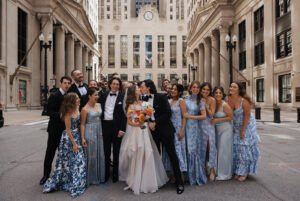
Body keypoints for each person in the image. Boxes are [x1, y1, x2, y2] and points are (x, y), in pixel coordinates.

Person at [119, 85, 169, 195]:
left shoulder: (145, 103)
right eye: (137, 88)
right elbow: (130, 122)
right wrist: (138, 124)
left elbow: (150, 116)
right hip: (136, 132)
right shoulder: (131, 106)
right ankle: (136, 181)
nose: (139, 89)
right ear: (133, 92)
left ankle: (148, 181)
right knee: (138, 154)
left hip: (145, 131)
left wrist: (147, 119)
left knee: (148, 153)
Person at [140, 79, 184, 194]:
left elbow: (168, 113)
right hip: (153, 132)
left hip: (165, 130)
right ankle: (156, 181)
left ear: (148, 87)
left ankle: (179, 182)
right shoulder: (144, 99)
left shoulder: (161, 97)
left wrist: (155, 122)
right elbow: (146, 115)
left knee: (172, 155)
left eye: (143, 86)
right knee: (154, 155)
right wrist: (149, 122)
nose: (141, 88)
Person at [43, 93, 86, 197]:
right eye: (77, 98)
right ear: (72, 100)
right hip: (69, 138)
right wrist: (74, 143)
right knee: (70, 160)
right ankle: (72, 181)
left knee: (76, 160)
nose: (79, 100)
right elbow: (67, 130)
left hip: (77, 136)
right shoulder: (68, 113)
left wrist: (81, 138)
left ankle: (76, 180)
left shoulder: (77, 109)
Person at [40, 76, 71, 185]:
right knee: (50, 152)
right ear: (61, 83)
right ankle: (45, 175)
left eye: (68, 83)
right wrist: (62, 115)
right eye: (65, 83)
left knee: (63, 153)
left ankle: (62, 174)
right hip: (54, 129)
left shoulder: (68, 96)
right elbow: (49, 112)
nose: (67, 85)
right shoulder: (54, 95)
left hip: (65, 130)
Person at [228, 82, 260, 182]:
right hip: (235, 126)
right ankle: (238, 170)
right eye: (231, 86)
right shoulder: (227, 99)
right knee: (237, 150)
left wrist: (243, 131)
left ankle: (244, 172)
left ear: (239, 89)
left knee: (244, 149)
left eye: (234, 87)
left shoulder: (244, 101)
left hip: (246, 126)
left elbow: (247, 116)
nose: (231, 88)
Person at [98, 77, 127, 183]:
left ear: (119, 86)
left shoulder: (122, 97)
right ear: (110, 85)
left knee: (116, 152)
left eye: (117, 84)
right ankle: (106, 174)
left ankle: (115, 173)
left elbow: (124, 115)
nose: (115, 86)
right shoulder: (103, 95)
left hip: (117, 128)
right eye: (113, 84)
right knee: (106, 151)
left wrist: (122, 129)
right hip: (105, 126)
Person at [183, 81, 207, 185]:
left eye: (197, 87)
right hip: (185, 127)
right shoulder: (185, 99)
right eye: (194, 87)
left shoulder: (201, 101)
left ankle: (194, 175)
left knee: (192, 150)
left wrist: (190, 117)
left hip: (194, 128)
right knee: (186, 149)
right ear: (190, 88)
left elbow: (204, 116)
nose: (195, 89)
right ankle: (186, 174)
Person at [162, 84, 187, 181]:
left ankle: (180, 174)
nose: (172, 90)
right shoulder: (169, 101)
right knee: (170, 151)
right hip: (169, 129)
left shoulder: (181, 101)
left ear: (180, 92)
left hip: (178, 129)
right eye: (172, 89)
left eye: (175, 89)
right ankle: (173, 172)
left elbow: (184, 116)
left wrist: (182, 130)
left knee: (177, 151)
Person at [80, 88, 105, 185]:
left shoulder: (99, 105)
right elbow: (82, 124)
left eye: (97, 95)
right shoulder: (84, 109)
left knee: (100, 154)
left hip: (99, 131)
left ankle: (100, 176)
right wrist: (82, 138)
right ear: (89, 96)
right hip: (90, 132)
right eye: (95, 95)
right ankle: (91, 178)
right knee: (91, 155)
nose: (97, 97)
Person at [211, 87, 234, 180]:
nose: (218, 94)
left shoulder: (225, 105)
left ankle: (224, 174)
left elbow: (231, 117)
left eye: (220, 93)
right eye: (216, 93)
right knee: (219, 151)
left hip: (226, 130)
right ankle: (219, 171)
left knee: (224, 152)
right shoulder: (213, 104)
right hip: (217, 130)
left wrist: (218, 119)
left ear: (222, 94)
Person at [199, 82, 217, 181]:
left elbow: (211, 115)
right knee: (202, 147)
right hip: (200, 126)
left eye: (207, 90)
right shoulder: (197, 99)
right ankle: (203, 166)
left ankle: (212, 169)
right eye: (204, 89)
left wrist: (205, 104)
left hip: (209, 125)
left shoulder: (212, 100)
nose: (205, 91)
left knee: (211, 147)